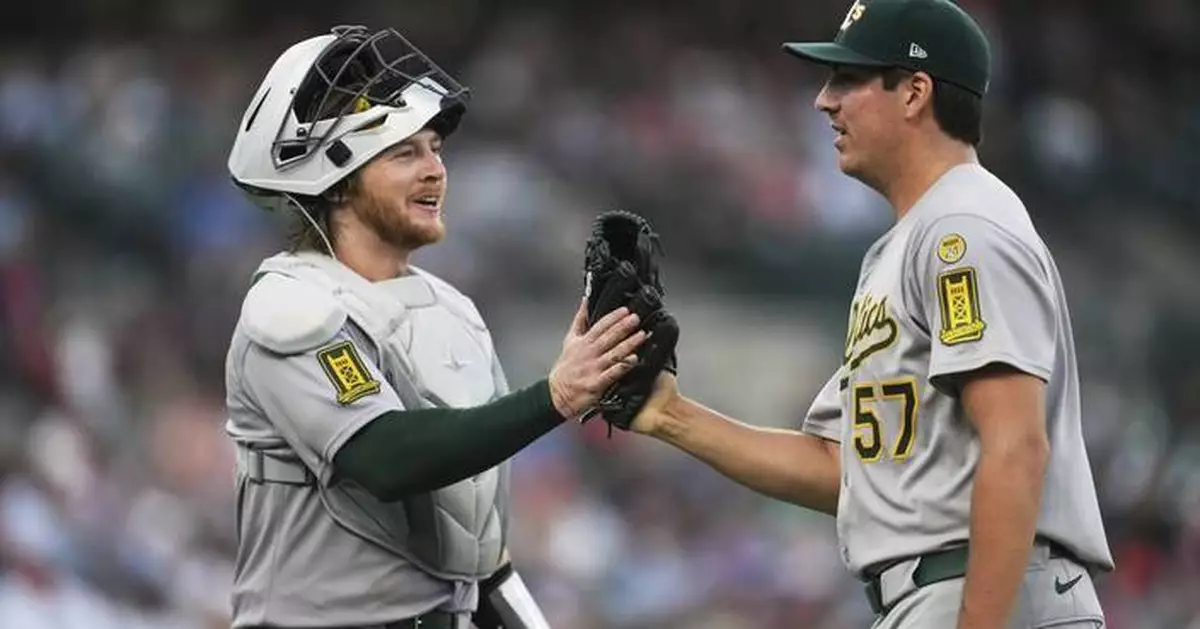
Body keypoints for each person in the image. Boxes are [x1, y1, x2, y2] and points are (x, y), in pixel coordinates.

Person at [628, 1, 1114, 627]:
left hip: (989, 595)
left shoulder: (962, 229)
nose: (824, 101)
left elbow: (1016, 444)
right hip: (939, 595)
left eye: (848, 80)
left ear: (914, 92)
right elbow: (850, 472)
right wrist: (670, 415)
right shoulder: (910, 243)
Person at [222, 25, 648, 629]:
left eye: (436, 149)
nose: (435, 171)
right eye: (404, 153)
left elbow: (479, 554)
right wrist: (554, 396)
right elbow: (387, 459)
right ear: (336, 179)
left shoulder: (450, 308)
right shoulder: (288, 307)